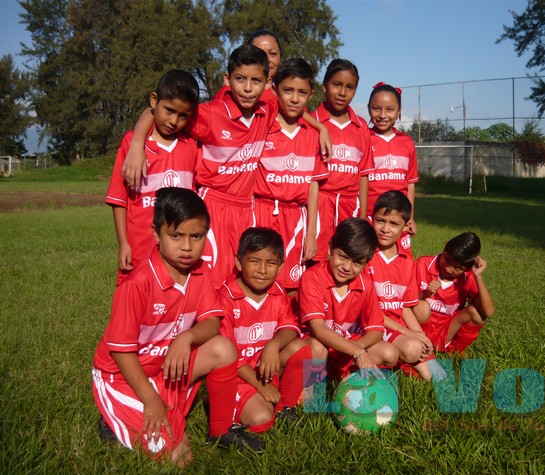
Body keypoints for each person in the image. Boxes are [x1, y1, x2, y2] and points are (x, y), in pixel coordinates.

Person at [122, 45, 331, 288]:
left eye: (255, 80)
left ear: (267, 84)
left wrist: (320, 127)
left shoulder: (267, 110)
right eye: (240, 79)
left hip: (246, 209)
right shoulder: (209, 114)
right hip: (213, 206)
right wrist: (137, 144)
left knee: (239, 279)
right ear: (227, 79)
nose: (248, 87)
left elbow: (294, 108)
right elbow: (158, 109)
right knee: (208, 281)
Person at [92, 188, 264, 468]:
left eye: (196, 237)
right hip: (123, 376)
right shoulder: (137, 284)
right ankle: (117, 416)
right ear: (156, 234)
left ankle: (220, 431)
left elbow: (211, 321)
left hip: (165, 367)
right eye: (177, 236)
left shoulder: (202, 271)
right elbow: (121, 353)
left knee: (223, 347)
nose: (187, 246)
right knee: (179, 459)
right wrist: (151, 400)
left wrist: (187, 337)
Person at [106, 70, 199, 284]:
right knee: (136, 309)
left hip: (179, 255)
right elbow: (119, 200)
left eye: (183, 116)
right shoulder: (132, 144)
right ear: (154, 100)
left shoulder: (191, 146)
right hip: (140, 251)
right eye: (169, 110)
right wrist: (124, 244)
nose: (174, 120)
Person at [219, 227, 312, 432]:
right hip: (237, 375)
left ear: (280, 267)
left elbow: (290, 327)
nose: (262, 269)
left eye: (270, 263)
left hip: (265, 367)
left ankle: (285, 407)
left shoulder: (278, 292)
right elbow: (226, 356)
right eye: (254, 261)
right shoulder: (225, 297)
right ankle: (239, 405)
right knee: (261, 420)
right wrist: (259, 385)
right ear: (238, 262)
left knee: (301, 347)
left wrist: (273, 344)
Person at [253, 59, 328, 292]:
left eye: (302, 92)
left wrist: (311, 234)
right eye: (288, 90)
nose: (295, 99)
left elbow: (313, 186)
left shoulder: (313, 134)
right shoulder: (262, 125)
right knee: (258, 276)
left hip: (297, 217)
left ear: (311, 95)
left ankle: (290, 327)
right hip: (262, 212)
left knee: (293, 283)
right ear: (275, 89)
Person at [298, 218, 399, 379]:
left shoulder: (365, 283)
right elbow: (318, 329)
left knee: (390, 353)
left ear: (367, 263)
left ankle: (340, 377)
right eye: (343, 256)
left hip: (347, 344)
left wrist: (354, 349)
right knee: (316, 349)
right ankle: (310, 398)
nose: (346, 267)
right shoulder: (312, 277)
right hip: (317, 341)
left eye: (357, 262)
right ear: (331, 248)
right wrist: (357, 352)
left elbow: (376, 330)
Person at [368, 190, 445, 381]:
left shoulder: (406, 261)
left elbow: (404, 307)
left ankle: (416, 361)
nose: (385, 229)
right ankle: (405, 362)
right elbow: (368, 310)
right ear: (372, 219)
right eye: (380, 221)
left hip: (395, 324)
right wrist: (409, 333)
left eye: (394, 224)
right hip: (372, 323)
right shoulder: (365, 255)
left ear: (406, 226)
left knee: (435, 375)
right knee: (412, 349)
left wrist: (420, 336)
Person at [310, 59, 375, 262]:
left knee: (347, 258)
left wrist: (362, 216)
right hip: (320, 203)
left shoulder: (361, 126)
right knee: (318, 258)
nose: (342, 92)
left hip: (349, 205)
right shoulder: (313, 121)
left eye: (350, 87)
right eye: (336, 84)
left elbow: (363, 174)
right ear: (324, 85)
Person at [415, 231, 495, 353]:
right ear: (445, 247)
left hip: (447, 330)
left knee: (477, 314)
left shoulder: (468, 277)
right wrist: (424, 294)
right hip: (418, 329)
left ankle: (453, 352)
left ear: (468, 267)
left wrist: (477, 276)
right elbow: (404, 300)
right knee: (421, 306)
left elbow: (488, 312)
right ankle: (421, 346)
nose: (448, 268)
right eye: (446, 259)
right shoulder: (423, 264)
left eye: (457, 268)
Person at [366, 82, 419, 246]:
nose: (382, 115)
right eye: (376, 108)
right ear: (369, 108)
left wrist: (410, 217)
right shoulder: (364, 139)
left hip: (398, 218)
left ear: (399, 112)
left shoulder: (407, 143)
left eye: (389, 109)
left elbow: (410, 183)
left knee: (399, 264)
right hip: (370, 216)